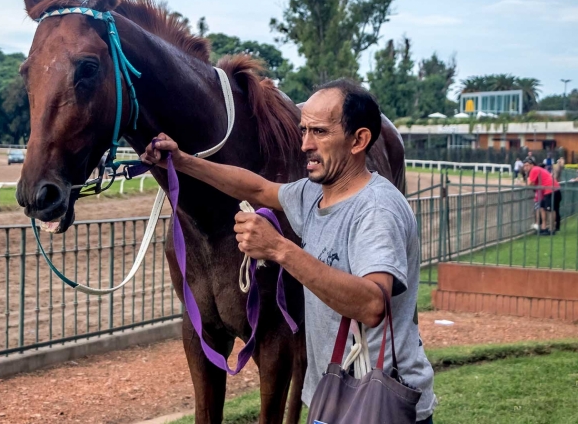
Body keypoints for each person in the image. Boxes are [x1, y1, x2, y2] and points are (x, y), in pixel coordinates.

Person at [142, 79, 436, 423]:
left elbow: (372, 305)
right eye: (304, 130)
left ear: (359, 140)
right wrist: (183, 162)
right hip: (336, 397)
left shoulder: (376, 211)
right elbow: (257, 186)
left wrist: (279, 248)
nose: (305, 144)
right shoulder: (314, 195)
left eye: (320, 132)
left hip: (380, 404)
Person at [523, 157, 556, 235]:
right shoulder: (535, 170)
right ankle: (544, 228)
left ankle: (551, 230)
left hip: (548, 190)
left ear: (531, 165)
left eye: (527, 165)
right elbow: (533, 184)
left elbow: (530, 184)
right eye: (524, 166)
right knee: (542, 209)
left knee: (549, 210)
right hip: (547, 190)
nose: (525, 168)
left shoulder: (534, 170)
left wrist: (522, 183)